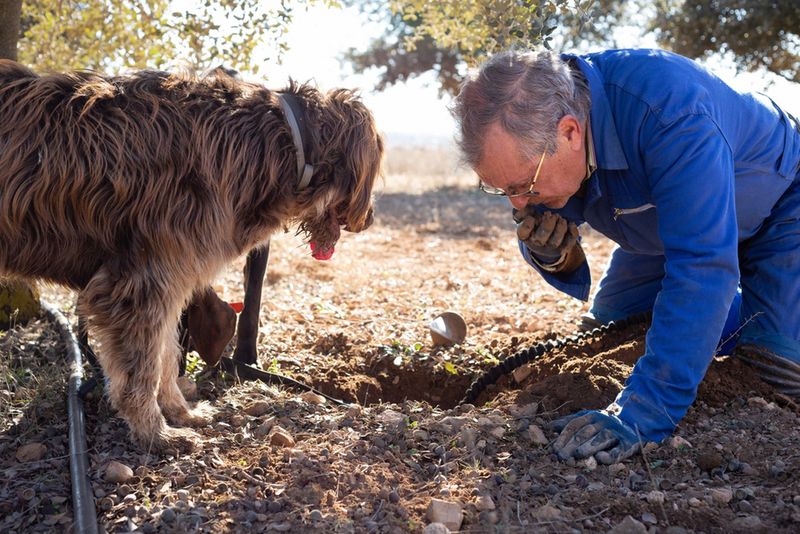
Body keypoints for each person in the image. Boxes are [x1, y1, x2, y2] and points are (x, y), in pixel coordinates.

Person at [452, 48, 800, 464]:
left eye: (524, 184)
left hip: (780, 208)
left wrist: (644, 411)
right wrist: (554, 256)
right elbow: (553, 224)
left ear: (570, 133)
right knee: (608, 334)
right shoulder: (547, 123)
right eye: (502, 189)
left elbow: (703, 267)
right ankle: (708, 327)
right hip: (663, 226)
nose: (518, 203)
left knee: (771, 368)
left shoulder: (673, 112)